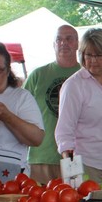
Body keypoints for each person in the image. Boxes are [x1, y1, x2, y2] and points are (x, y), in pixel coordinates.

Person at [56, 28, 102, 185]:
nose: (94, 60)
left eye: (99, 55)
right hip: (88, 166)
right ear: (82, 55)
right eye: (89, 55)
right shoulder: (74, 86)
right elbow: (64, 131)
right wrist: (72, 173)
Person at [0, 43, 45, 181]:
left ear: (7, 71)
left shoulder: (21, 97)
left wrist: (6, 116)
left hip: (11, 177)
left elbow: (37, 138)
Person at [25, 24, 80, 184]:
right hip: (41, 156)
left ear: (77, 44)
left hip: (76, 157)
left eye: (69, 39)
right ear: (54, 44)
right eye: (59, 39)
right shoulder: (38, 75)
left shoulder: (86, 75)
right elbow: (19, 110)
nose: (63, 43)